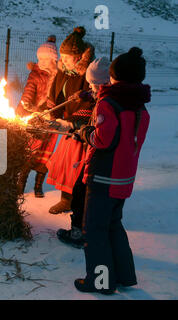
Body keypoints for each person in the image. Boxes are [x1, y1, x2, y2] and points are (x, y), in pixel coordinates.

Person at [74, 47, 150, 294]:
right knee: (113, 225)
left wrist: (85, 133)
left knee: (94, 230)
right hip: (124, 178)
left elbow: (103, 139)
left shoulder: (109, 103)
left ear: (115, 77)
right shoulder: (140, 106)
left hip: (103, 176)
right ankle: (124, 276)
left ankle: (101, 281)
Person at [55, 57, 111, 248]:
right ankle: (85, 229)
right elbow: (94, 96)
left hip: (99, 160)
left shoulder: (106, 104)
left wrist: (82, 131)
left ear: (104, 82)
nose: (91, 87)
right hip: (96, 158)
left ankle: (80, 233)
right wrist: (85, 95)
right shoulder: (103, 96)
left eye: (93, 85)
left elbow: (100, 133)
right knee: (81, 191)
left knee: (82, 193)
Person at [45, 26, 95, 214]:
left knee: (77, 167)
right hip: (67, 126)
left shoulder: (87, 75)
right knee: (64, 164)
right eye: (62, 56)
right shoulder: (63, 72)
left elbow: (90, 101)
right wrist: (51, 112)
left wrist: (73, 122)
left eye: (67, 57)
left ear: (79, 56)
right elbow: (55, 94)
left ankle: (78, 203)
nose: (63, 60)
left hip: (81, 130)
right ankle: (65, 200)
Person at [16, 35, 58, 197]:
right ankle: (22, 181)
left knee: (46, 154)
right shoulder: (35, 74)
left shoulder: (58, 75)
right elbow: (29, 91)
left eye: (46, 59)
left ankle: (39, 185)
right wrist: (27, 105)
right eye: (41, 59)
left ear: (53, 59)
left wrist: (53, 112)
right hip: (35, 116)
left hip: (51, 119)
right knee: (31, 151)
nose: (43, 62)